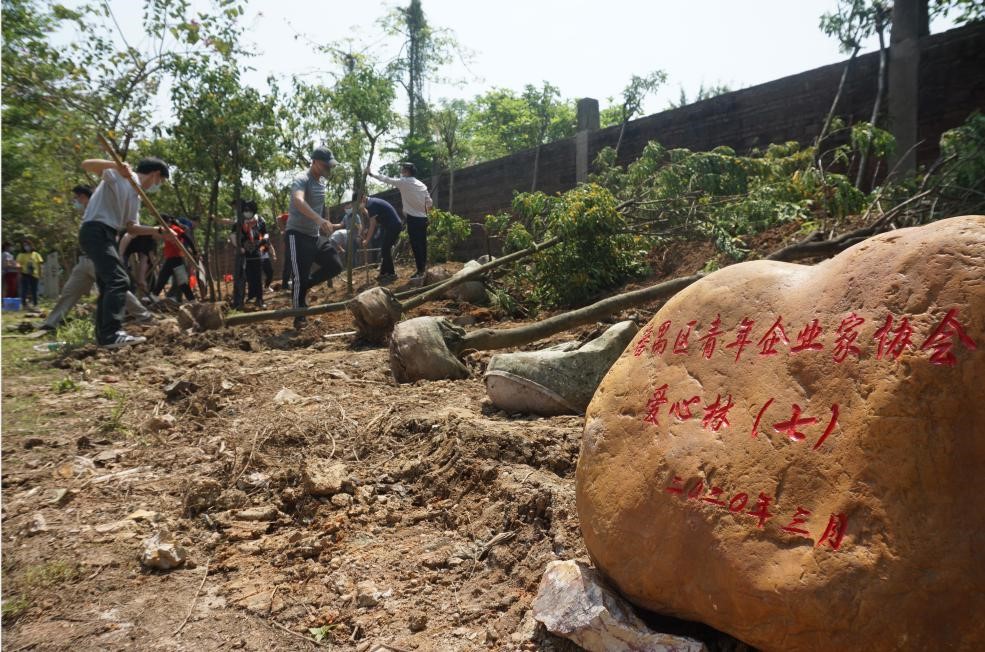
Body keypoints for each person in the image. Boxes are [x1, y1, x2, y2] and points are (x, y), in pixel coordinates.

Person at [78, 156, 178, 348]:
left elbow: (132, 228)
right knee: (119, 280)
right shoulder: (121, 175)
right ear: (156, 174)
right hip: (95, 230)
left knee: (108, 283)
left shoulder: (136, 194)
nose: (159, 185)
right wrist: (115, 165)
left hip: (108, 234)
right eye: (161, 181)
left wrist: (159, 231)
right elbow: (86, 164)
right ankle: (111, 334)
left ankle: (104, 336)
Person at [40, 185, 153, 331]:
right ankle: (51, 323)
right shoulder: (88, 214)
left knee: (117, 288)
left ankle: (144, 316)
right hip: (84, 261)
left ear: (86, 197)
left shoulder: (102, 211)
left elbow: (124, 232)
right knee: (69, 292)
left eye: (78, 198)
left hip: (98, 258)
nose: (76, 201)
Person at [285, 146, 344, 328]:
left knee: (335, 265)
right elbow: (298, 200)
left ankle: (305, 285)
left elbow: (316, 209)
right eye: (327, 165)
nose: (329, 169)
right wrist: (319, 219)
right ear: (315, 162)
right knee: (299, 277)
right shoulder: (303, 179)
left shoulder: (322, 183)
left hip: (314, 236)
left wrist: (324, 222)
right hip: (297, 235)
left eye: (330, 166)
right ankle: (299, 315)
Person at [367, 162, 432, 280]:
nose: (401, 171)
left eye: (402, 169)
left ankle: (420, 272)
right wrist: (426, 214)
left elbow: (386, 179)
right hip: (423, 218)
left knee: (416, 245)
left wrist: (371, 174)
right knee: (422, 244)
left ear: (407, 171)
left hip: (413, 219)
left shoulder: (404, 182)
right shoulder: (421, 185)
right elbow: (429, 203)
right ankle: (423, 269)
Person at [149, 214, 194, 302]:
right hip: (172, 257)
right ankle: (192, 299)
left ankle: (154, 295)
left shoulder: (174, 228)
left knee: (165, 277)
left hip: (175, 257)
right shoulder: (167, 229)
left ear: (167, 222)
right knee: (174, 280)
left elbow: (187, 238)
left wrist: (194, 250)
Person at [359, 195, 403, 284]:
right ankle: (383, 273)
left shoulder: (371, 204)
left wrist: (367, 240)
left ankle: (391, 274)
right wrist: (364, 211)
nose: (359, 204)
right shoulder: (371, 204)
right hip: (390, 226)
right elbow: (372, 217)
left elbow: (372, 224)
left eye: (358, 202)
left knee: (385, 249)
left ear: (363, 198)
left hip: (393, 226)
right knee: (385, 249)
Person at [16, 239, 44, 308]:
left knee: (34, 290)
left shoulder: (36, 254)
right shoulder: (21, 255)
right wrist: (19, 272)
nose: (26, 247)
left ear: (31, 246)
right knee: (24, 289)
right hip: (25, 274)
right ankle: (24, 304)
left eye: (28, 245)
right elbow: (18, 264)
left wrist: (41, 273)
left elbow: (40, 265)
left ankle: (35, 304)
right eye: (25, 245)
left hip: (34, 274)